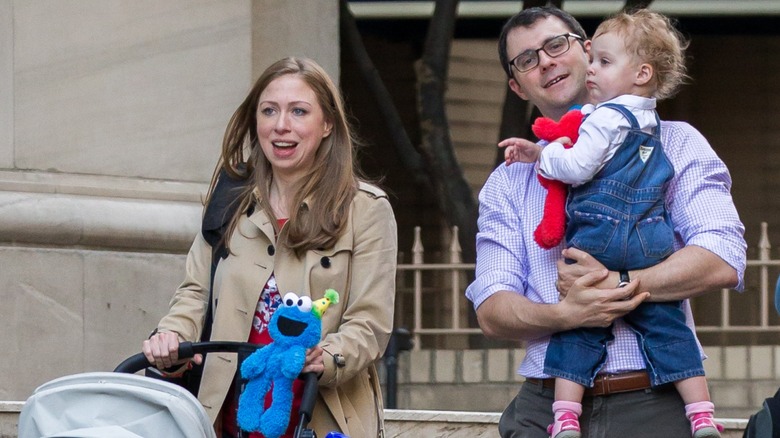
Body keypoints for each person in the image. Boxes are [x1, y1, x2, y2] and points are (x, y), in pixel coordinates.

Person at [465, 6, 746, 438]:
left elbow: (721, 259)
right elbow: (492, 309)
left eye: (556, 44)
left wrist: (618, 284)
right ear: (516, 86)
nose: (545, 61)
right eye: (526, 60)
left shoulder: (675, 142)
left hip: (653, 401)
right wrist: (567, 314)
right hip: (546, 408)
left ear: (587, 49)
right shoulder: (509, 180)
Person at [142, 57, 397, 438]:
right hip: (226, 419)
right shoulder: (229, 203)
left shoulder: (366, 210)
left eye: (299, 111)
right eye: (269, 111)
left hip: (320, 415)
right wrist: (171, 338)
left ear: (327, 124)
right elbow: (195, 294)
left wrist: (324, 357)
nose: (281, 125)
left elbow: (370, 323)